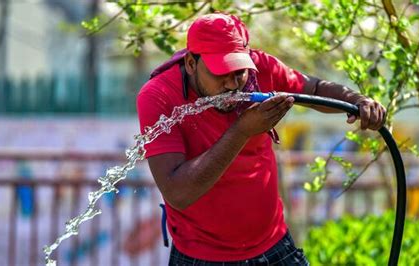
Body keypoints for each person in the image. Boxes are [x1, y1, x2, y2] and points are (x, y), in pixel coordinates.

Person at [137, 12, 385, 265]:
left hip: (273, 246)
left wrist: (358, 101)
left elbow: (315, 89)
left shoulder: (261, 70)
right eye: (222, 72)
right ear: (191, 63)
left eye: (239, 72)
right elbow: (178, 193)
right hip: (200, 257)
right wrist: (242, 131)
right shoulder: (158, 96)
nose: (233, 84)